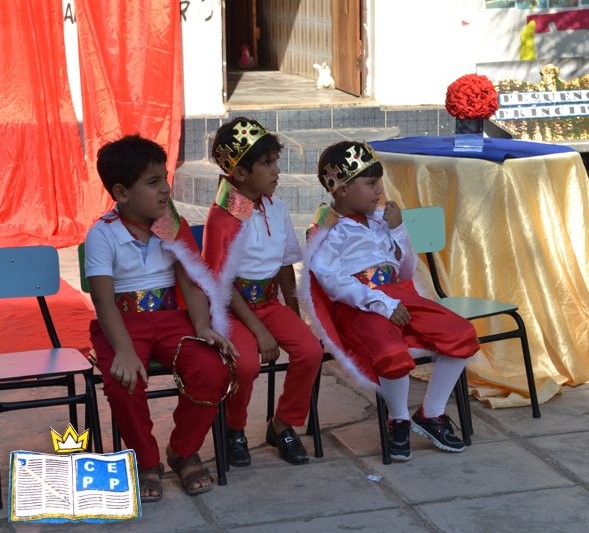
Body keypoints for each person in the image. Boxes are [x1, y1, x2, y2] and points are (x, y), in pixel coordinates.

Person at [299, 141, 480, 461]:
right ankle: (398, 419)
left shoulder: (380, 220)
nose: (379, 190)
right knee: (390, 352)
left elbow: (405, 270)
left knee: (461, 333)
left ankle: (432, 413)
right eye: (370, 183)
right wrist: (380, 304)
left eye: (379, 182)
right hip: (358, 306)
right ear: (342, 189)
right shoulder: (325, 230)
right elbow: (335, 284)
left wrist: (398, 231)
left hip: (398, 295)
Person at [85, 134, 239, 502]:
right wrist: (124, 351)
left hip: (172, 319)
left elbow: (190, 280)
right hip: (122, 324)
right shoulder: (102, 234)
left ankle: (183, 450)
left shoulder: (170, 224)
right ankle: (146, 461)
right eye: (153, 182)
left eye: (165, 178)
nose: (165, 190)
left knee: (212, 370)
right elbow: (103, 300)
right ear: (121, 193)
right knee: (123, 380)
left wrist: (203, 327)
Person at [204, 117, 323, 466]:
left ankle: (282, 424)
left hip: (269, 303)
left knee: (310, 351)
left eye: (276, 161)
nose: (276, 170)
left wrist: (294, 313)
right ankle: (234, 429)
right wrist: (258, 330)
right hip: (232, 309)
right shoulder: (224, 216)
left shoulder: (276, 207)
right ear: (240, 173)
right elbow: (221, 283)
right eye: (267, 163)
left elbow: (285, 264)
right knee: (245, 364)